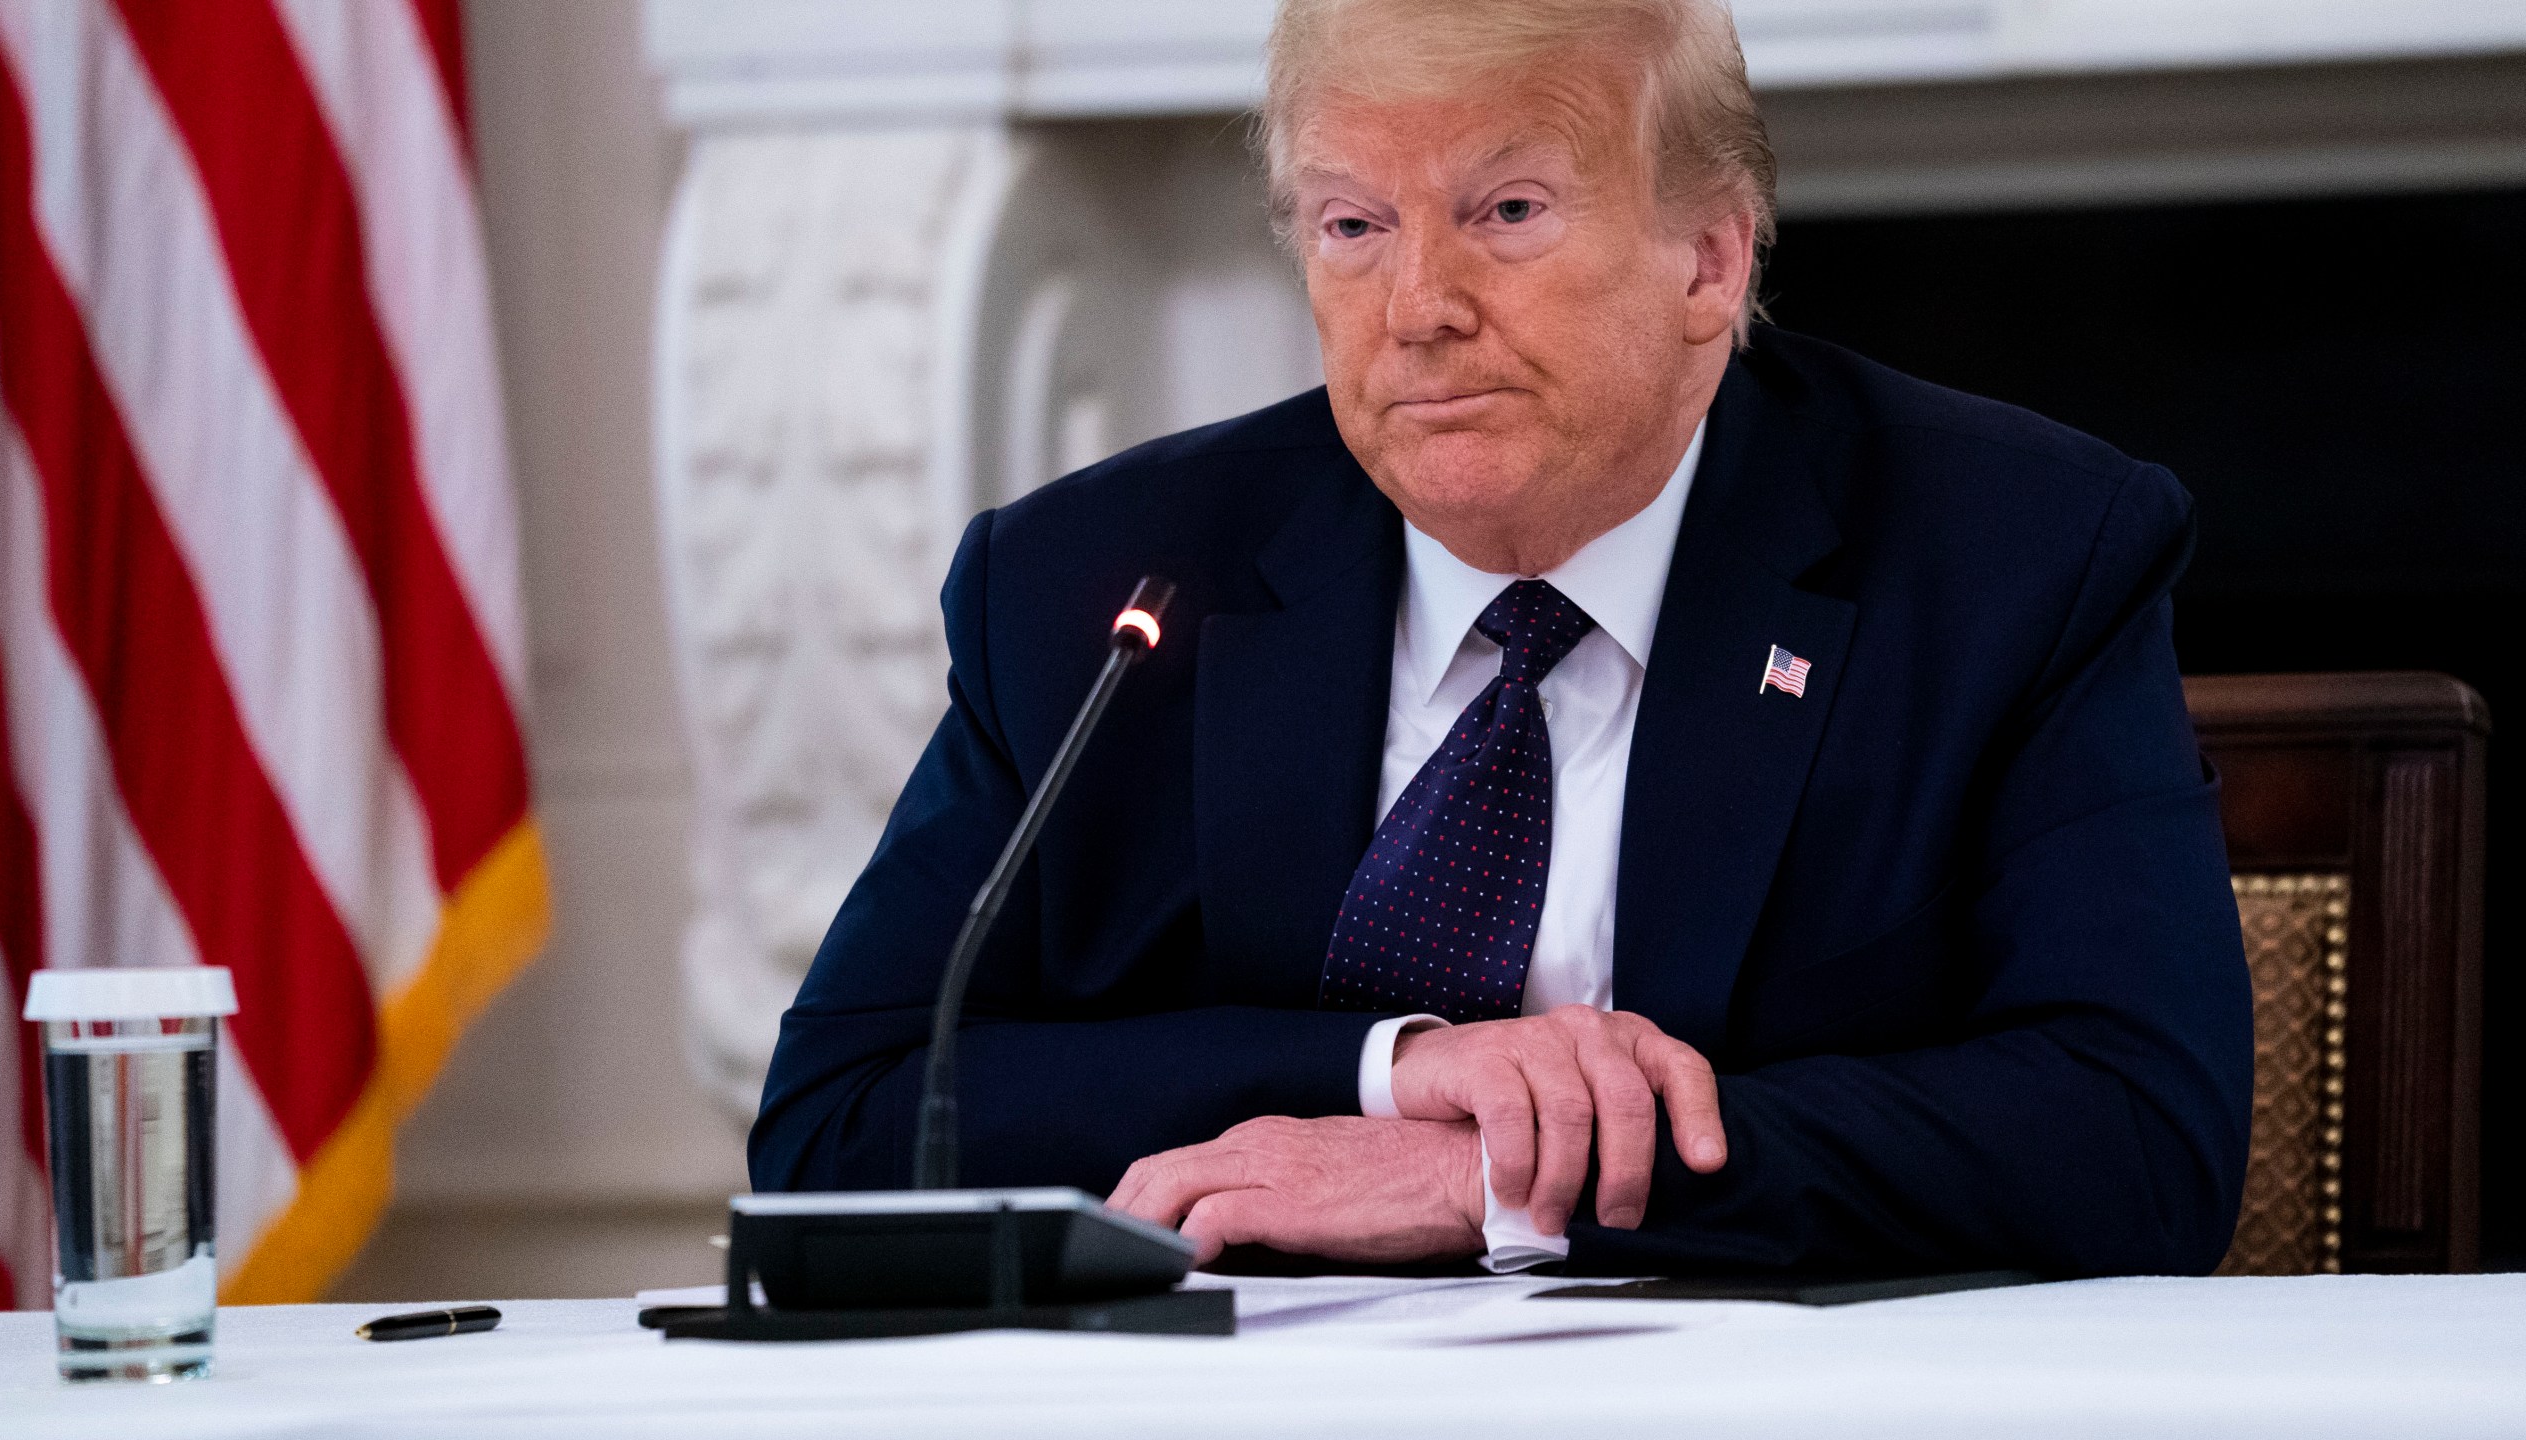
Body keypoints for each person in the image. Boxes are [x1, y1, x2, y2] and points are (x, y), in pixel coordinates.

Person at [749, 0, 2254, 1278]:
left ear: (1710, 260)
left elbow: (2138, 1140)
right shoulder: (1100, 587)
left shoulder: (2011, 558)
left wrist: (1500, 1181)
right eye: (1353, 226)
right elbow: (845, 1122)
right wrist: (1387, 1079)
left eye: (1508, 212)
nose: (1418, 308)